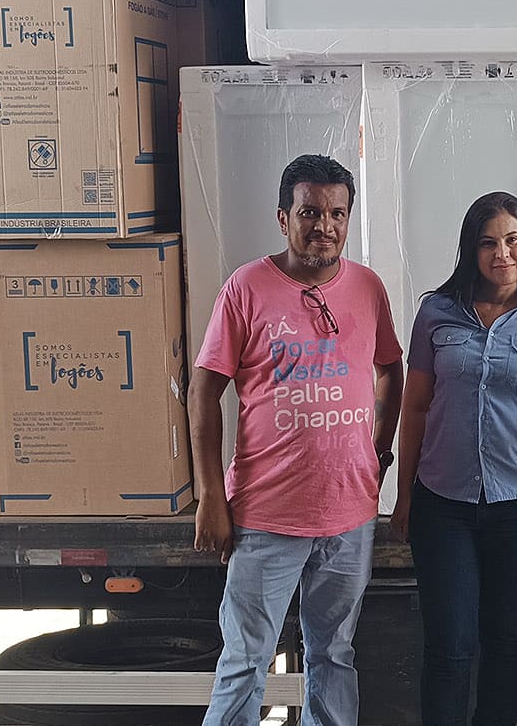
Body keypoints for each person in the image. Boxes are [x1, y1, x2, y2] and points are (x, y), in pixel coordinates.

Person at [190, 153, 405, 726]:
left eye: (337, 214)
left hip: (349, 517)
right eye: (310, 212)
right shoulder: (246, 287)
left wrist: (378, 452)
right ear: (283, 217)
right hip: (265, 516)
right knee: (245, 662)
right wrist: (211, 496)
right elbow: (204, 391)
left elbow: (391, 369)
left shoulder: (367, 287)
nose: (324, 226)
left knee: (333, 656)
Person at [390, 191, 517, 726]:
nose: (502, 254)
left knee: (506, 643)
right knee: (449, 647)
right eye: (487, 243)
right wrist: (404, 494)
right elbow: (415, 406)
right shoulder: (437, 312)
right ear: (470, 250)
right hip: (443, 505)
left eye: (512, 240)